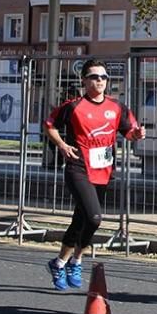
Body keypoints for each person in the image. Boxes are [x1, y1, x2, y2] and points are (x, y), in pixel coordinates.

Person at [43, 60, 146, 290]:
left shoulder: (117, 107)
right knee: (94, 217)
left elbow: (128, 132)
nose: (99, 81)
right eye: (94, 76)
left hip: (104, 170)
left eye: (103, 77)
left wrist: (136, 134)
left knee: (81, 219)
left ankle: (60, 262)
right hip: (78, 167)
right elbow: (49, 124)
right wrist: (61, 144)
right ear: (84, 80)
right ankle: (77, 260)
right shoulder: (74, 106)